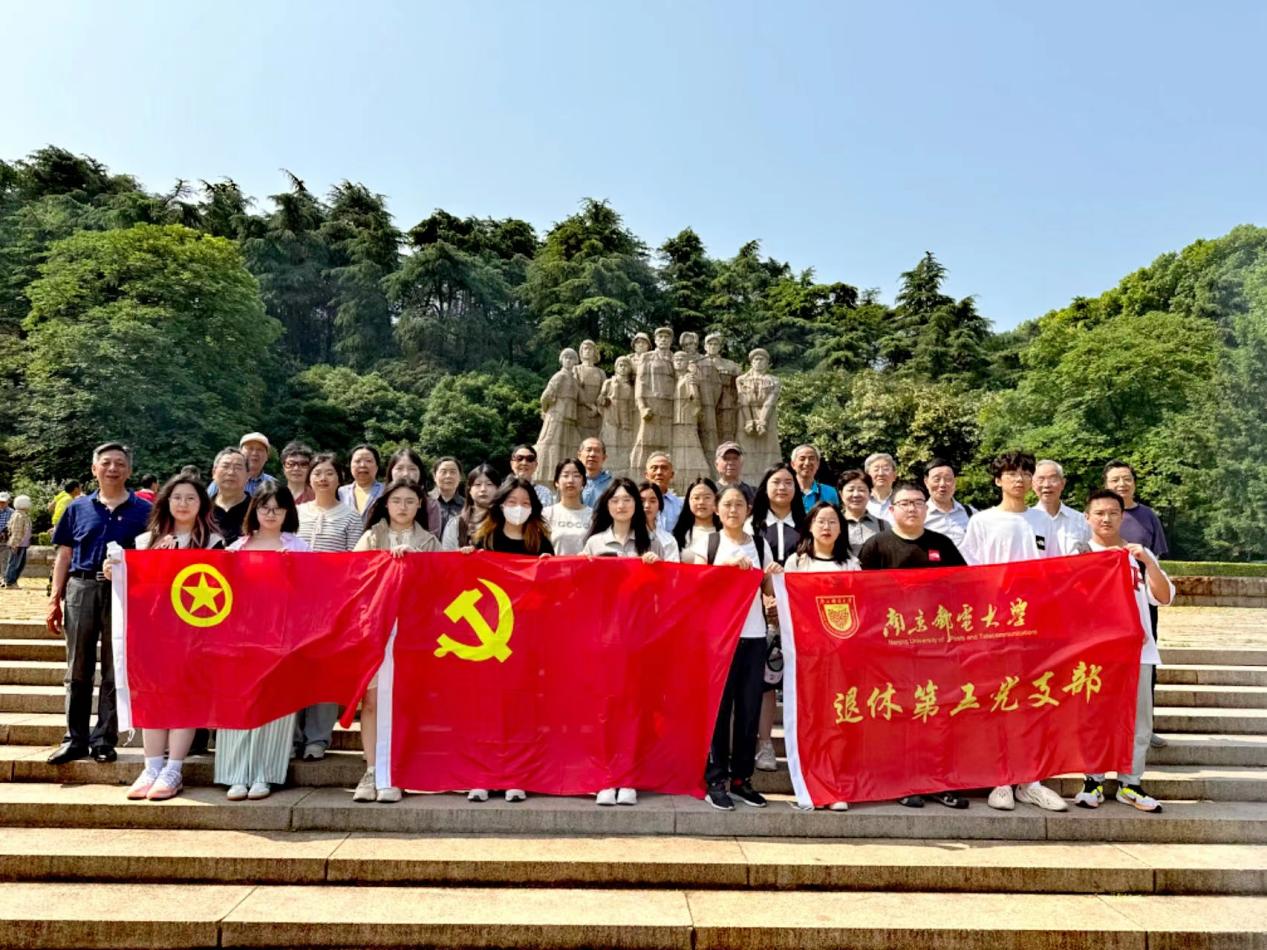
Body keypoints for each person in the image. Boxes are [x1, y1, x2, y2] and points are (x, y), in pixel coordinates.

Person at [958, 451, 1067, 813]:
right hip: (996, 624)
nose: (1019, 479)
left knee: (1032, 700)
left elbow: (1056, 570)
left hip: (1036, 624)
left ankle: (1030, 780)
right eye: (1011, 473)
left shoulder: (1043, 520)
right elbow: (970, 574)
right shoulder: (982, 521)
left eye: (1025, 473)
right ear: (998, 480)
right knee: (999, 698)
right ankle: (1000, 778)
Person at [857, 481, 969, 810]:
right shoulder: (876, 546)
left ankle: (938, 781)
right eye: (905, 503)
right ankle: (902, 781)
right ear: (891, 509)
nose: (912, 508)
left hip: (936, 647)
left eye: (918, 503)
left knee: (937, 713)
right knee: (899, 714)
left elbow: (965, 587)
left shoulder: (942, 544)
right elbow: (861, 596)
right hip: (891, 648)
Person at [114, 474, 225, 801]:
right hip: (153, 634)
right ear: (166, 501)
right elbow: (136, 588)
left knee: (185, 698)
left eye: (191, 498)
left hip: (194, 635)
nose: (183, 504)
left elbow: (222, 588)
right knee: (153, 697)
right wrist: (126, 568)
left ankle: (174, 768)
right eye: (177, 497)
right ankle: (151, 766)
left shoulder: (213, 542)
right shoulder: (144, 541)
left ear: (202, 504)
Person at [46, 442, 152, 765]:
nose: (112, 468)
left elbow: (153, 554)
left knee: (114, 666)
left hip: (124, 593)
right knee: (77, 666)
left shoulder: (144, 511)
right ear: (94, 469)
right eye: (106, 463)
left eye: (120, 463)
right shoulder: (77, 507)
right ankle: (74, 738)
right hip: (81, 587)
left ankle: (105, 738)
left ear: (129, 470)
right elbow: (64, 554)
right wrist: (55, 597)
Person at [1074, 488, 1174, 813]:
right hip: (1095, 654)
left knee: (1139, 720)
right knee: (1094, 718)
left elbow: (1164, 596)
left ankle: (1131, 783)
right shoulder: (1078, 555)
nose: (1106, 519)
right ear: (1087, 517)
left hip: (1138, 653)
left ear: (1122, 517)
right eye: (1099, 513)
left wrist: (1148, 561)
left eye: (1113, 513)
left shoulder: (1137, 555)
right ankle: (1092, 780)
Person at [351, 478, 442, 804]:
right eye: (397, 501)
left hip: (413, 633)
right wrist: (385, 561)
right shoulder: (371, 537)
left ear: (420, 506)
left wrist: (417, 562)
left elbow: (441, 586)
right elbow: (354, 577)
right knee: (372, 701)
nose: (403, 507)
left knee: (404, 702)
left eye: (410, 501)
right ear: (386, 504)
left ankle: (396, 771)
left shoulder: (430, 541)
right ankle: (371, 769)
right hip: (376, 629)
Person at [216, 485, 309, 801]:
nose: (271, 514)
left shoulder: (299, 547)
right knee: (238, 702)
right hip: (240, 636)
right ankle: (234, 774)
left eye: (278, 508)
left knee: (275, 703)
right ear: (254, 510)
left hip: (281, 635)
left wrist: (293, 568)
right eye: (264, 507)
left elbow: (312, 592)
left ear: (287, 512)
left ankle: (265, 774)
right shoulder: (237, 547)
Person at [580, 478, 663, 807]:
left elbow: (664, 593)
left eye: (628, 500)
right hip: (603, 637)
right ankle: (605, 776)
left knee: (633, 708)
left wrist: (656, 570)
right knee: (604, 708)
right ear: (607, 505)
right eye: (615, 500)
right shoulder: (594, 543)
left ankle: (628, 777)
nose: (622, 505)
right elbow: (580, 589)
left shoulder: (650, 543)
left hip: (639, 638)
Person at [699, 484, 780, 811]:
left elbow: (769, 589)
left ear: (749, 509)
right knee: (719, 712)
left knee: (748, 710)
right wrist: (727, 570)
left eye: (739, 505)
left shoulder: (760, 544)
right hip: (719, 640)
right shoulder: (708, 543)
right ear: (717, 509)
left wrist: (774, 575)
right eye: (727, 504)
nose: (733, 510)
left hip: (754, 635)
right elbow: (698, 586)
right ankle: (715, 779)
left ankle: (741, 779)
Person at [294, 452, 363, 761]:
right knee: (296, 671)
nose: (323, 478)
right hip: (296, 605)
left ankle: (318, 738)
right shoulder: (296, 513)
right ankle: (292, 738)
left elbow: (355, 563)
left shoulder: (351, 517)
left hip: (333, 606)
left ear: (340, 478)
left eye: (329, 473)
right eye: (317, 473)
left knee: (325, 672)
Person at [1105, 458, 1170, 750]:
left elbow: (1156, 560)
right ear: (1106, 485)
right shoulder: (1097, 514)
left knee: (1146, 662)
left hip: (1142, 600)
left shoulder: (1147, 516)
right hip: (1105, 603)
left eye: (1127, 479)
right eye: (1115, 480)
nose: (1122, 484)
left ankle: (1146, 725)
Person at [748, 464, 806, 771]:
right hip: (762, 613)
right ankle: (765, 744)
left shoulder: (807, 525)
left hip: (802, 615)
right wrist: (765, 597)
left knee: (803, 681)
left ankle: (806, 746)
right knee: (767, 681)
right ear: (765, 487)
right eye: (776, 482)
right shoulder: (752, 526)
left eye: (788, 482)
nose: (782, 488)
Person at [468, 478, 556, 558]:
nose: (519, 507)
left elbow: (553, 569)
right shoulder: (486, 539)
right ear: (501, 505)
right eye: (512, 502)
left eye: (525, 503)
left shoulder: (540, 542)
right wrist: (467, 553)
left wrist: (548, 562)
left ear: (532, 508)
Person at [1032, 459, 1091, 555]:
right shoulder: (1027, 522)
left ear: (1063, 483)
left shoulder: (1081, 521)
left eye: (1053, 479)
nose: (1047, 485)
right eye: (1041, 479)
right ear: (1032, 485)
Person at [385, 446, 443, 534]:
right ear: (390, 472)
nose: (405, 474)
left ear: (420, 473)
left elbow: (432, 538)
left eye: (412, 469)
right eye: (399, 468)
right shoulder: (380, 501)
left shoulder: (431, 505)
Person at [442, 464, 499, 550]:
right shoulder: (456, 524)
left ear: (498, 488)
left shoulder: (506, 522)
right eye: (478, 484)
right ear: (470, 490)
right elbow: (446, 556)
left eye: (489, 484)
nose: (483, 489)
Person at [542, 459, 592, 556]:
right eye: (565, 475)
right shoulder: (546, 514)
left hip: (584, 566)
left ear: (583, 482)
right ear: (556, 482)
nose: (570, 480)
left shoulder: (593, 516)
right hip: (555, 565)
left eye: (576, 476)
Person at [922, 458, 973, 547]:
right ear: (926, 482)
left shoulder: (971, 513)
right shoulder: (919, 515)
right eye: (937, 479)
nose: (942, 484)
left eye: (948, 479)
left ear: (955, 482)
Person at [209, 447, 252, 546]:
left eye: (238, 468)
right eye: (225, 466)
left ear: (248, 476)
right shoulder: (201, 509)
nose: (231, 472)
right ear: (214, 472)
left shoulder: (258, 510)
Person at [673, 477, 722, 562]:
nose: (701, 502)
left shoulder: (725, 532)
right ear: (688, 501)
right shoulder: (679, 533)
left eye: (707, 497)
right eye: (696, 498)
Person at [838, 469, 888, 550]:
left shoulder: (884, 525)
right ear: (841, 494)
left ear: (870, 493)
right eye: (851, 490)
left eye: (861, 490)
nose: (856, 495)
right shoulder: (833, 524)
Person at [638, 481, 681, 562]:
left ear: (660, 505)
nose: (647, 505)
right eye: (641, 501)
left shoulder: (668, 541)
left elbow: (673, 568)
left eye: (652, 501)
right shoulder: (627, 535)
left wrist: (659, 564)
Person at [339, 444, 383, 515]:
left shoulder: (386, 491)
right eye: (357, 461)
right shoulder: (341, 492)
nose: (362, 465)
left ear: (377, 466)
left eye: (368, 461)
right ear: (350, 466)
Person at [791, 445, 840, 511]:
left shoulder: (830, 492)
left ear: (818, 464)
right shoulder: (785, 491)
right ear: (793, 464)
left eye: (811, 459)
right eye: (802, 459)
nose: (807, 463)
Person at [644, 452, 683, 531]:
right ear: (646, 475)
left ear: (672, 474)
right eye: (654, 468)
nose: (659, 472)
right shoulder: (636, 502)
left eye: (664, 468)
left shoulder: (680, 505)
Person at [2, 495, 33, 589]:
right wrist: (15, 544)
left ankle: (12, 581)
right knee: (14, 563)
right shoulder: (19, 516)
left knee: (19, 564)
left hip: (22, 544)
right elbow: (16, 531)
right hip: (18, 544)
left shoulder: (22, 515)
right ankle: (10, 582)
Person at [430, 457, 465, 535]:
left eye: (453, 472)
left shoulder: (467, 506)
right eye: (443, 472)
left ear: (460, 477)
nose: (448, 476)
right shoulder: (424, 501)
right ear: (434, 476)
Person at [578, 437, 613, 508]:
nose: (592, 454)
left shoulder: (612, 485)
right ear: (579, 455)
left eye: (597, 451)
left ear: (604, 458)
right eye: (588, 450)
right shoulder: (571, 481)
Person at [279, 441, 315, 506]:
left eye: (303, 464)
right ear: (283, 467)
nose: (296, 468)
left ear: (310, 468)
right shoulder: (275, 495)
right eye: (291, 464)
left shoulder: (318, 497)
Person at [864, 453, 897, 518]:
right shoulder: (860, 501)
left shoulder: (903, 501)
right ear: (867, 476)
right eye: (876, 470)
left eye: (886, 469)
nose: (881, 473)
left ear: (894, 476)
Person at [0, 493, 11, 580]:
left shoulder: (12, 512)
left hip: (5, 540)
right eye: (0, 502)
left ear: (8, 502)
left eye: (3, 502)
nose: (1, 503)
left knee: (5, 560)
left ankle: (4, 579)